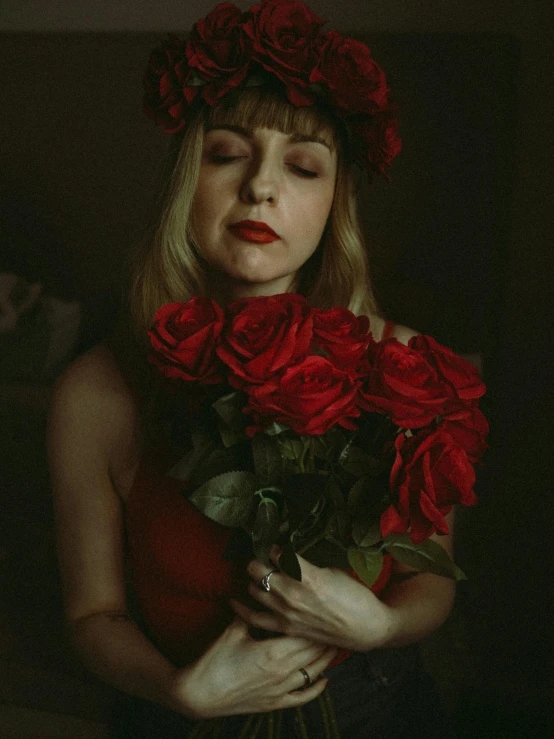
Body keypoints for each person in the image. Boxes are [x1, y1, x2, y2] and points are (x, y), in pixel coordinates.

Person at [48, 2, 458, 736]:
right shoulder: (96, 390)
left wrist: (378, 625)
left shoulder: (401, 365)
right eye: (227, 153)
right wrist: (182, 693)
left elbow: (432, 580)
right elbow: (92, 614)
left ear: (336, 203)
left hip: (378, 710)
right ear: (185, 180)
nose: (261, 187)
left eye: (303, 166)